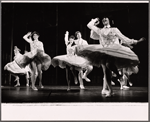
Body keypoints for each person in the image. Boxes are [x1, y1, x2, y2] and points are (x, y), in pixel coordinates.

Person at [75, 17, 143, 97]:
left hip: (114, 51)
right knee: (106, 72)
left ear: (109, 20)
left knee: (109, 64)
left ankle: (119, 76)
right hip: (103, 52)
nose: (104, 19)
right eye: (103, 19)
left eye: (106, 18)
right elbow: (89, 25)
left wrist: (136, 41)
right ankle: (110, 91)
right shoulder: (100, 30)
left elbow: (124, 38)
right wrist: (95, 21)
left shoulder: (114, 29)